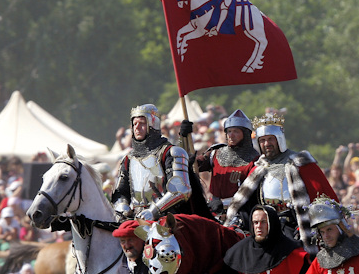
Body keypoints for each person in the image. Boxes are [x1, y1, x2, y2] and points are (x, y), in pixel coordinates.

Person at [225, 112, 337, 250]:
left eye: (270, 139)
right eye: (262, 140)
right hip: (265, 227)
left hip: (293, 226)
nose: (267, 144)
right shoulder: (258, 168)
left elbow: (322, 197)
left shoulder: (300, 163)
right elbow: (246, 202)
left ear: (279, 139)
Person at [111, 104, 207, 221]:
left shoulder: (170, 152)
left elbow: (180, 189)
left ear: (152, 125)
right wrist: (123, 208)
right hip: (136, 218)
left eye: (142, 123)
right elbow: (120, 192)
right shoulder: (128, 159)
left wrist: (153, 211)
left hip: (167, 218)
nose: (137, 127)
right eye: (134, 124)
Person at [195, 109, 259, 217]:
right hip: (213, 210)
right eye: (229, 131)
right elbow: (193, 165)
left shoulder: (255, 160)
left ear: (246, 134)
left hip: (240, 214)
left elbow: (252, 195)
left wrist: (225, 203)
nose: (231, 135)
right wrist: (185, 137)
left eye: (236, 131)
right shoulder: (216, 153)